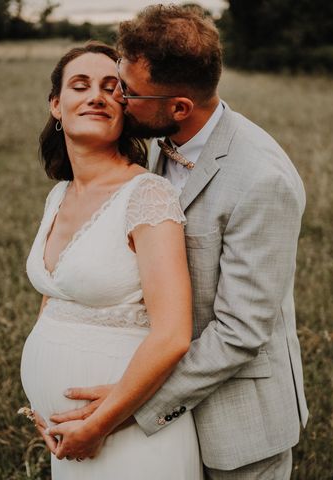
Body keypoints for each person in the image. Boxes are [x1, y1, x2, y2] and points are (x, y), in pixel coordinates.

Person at [46, 5, 309, 479]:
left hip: (238, 427)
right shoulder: (163, 143)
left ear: (179, 107)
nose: (118, 99)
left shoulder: (262, 180)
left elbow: (239, 332)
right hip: (164, 417)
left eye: (128, 91)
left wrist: (123, 410)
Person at [20, 41, 203, 479]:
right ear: (56, 106)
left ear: (125, 110)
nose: (95, 96)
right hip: (68, 439)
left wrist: (99, 424)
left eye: (110, 87)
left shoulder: (147, 195)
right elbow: (56, 293)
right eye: (80, 86)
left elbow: (174, 335)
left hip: (127, 437)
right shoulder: (59, 194)